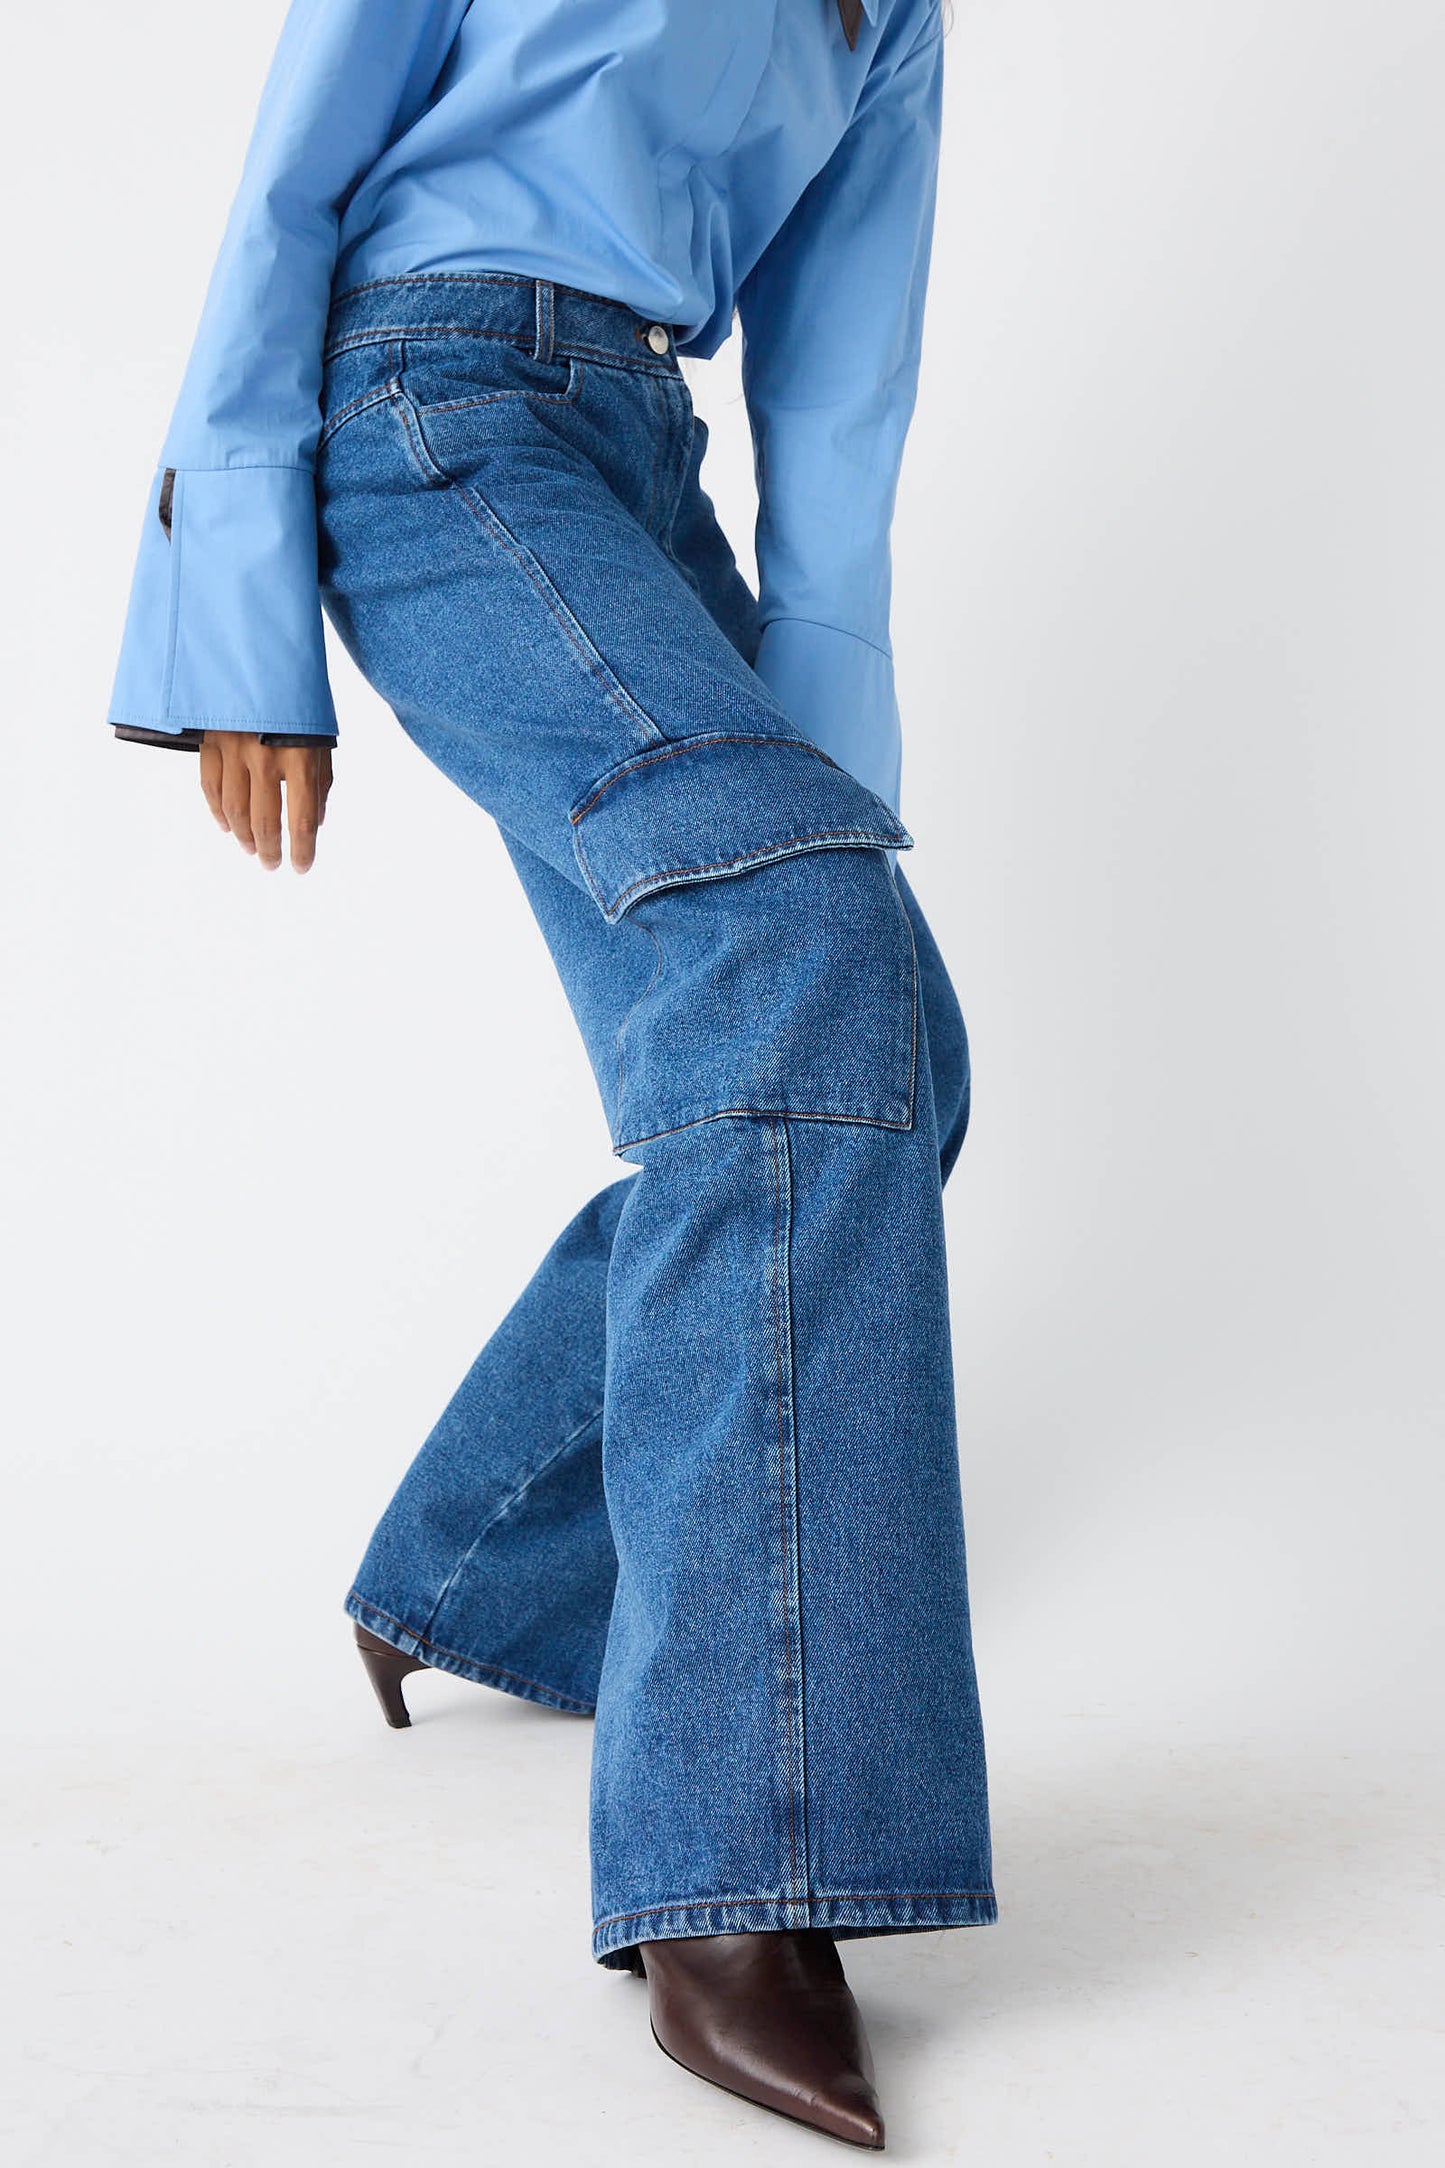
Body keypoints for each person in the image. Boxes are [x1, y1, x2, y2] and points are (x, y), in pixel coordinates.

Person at [109, 1, 994, 2147]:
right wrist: (235, 582)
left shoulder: (898, 14)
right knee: (801, 980)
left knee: (879, 1040)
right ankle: (736, 1865)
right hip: (429, 407)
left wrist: (819, 855)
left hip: (629, 458)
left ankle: (488, 1567)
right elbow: (294, 175)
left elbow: (842, 405)